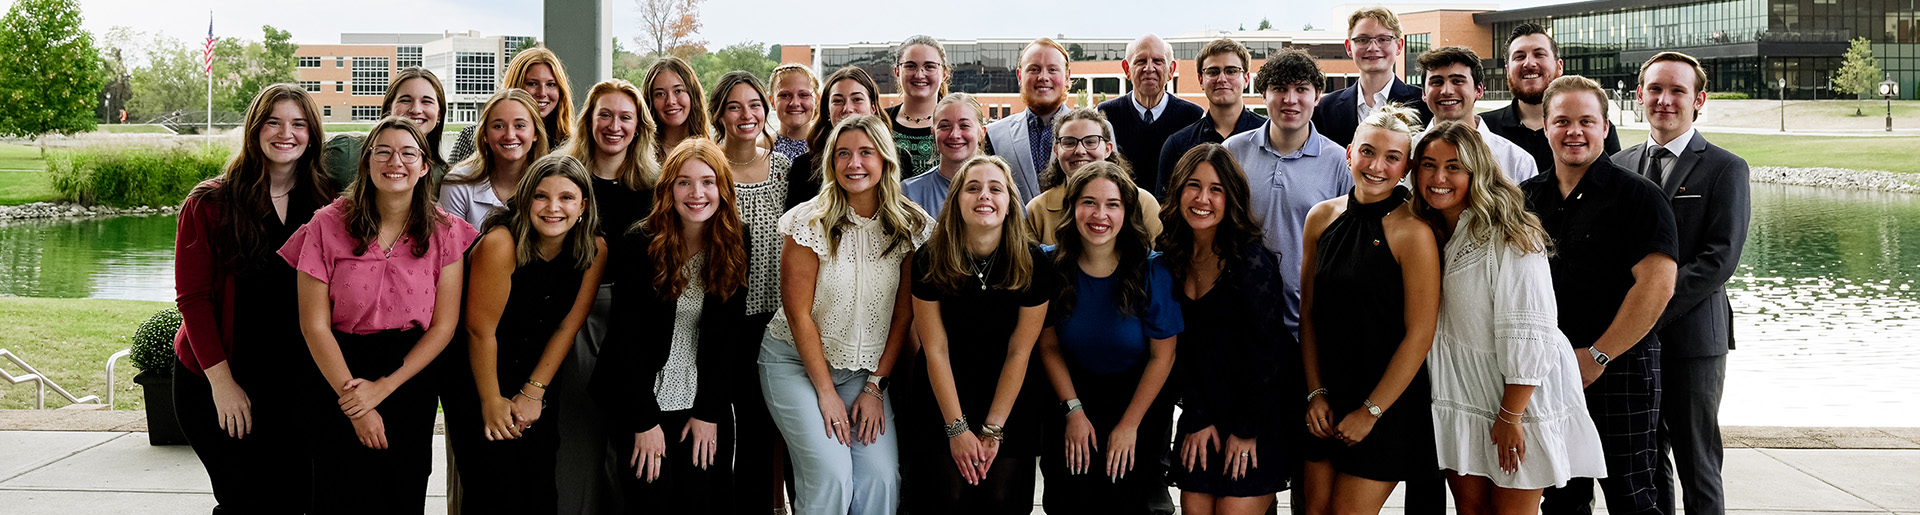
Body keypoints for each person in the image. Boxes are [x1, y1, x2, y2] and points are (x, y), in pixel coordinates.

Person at [280, 116, 479, 513]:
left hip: (410, 376)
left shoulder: (446, 232)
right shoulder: (325, 225)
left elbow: (444, 327)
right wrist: (356, 402)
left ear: (424, 166)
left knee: (403, 492)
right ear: (367, 162)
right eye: (383, 152)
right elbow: (313, 325)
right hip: (337, 371)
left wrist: (383, 389)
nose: (395, 162)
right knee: (339, 493)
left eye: (408, 153)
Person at [1411, 121, 1607, 514]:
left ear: (1477, 171)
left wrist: (1510, 415)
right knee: (1471, 510)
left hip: (1518, 397)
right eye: (1429, 165)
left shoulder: (1511, 233)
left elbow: (1530, 328)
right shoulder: (1423, 229)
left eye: (1454, 167)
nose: (1439, 178)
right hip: (1461, 394)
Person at [761, 114, 933, 515]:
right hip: (795, 365)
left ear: (885, 160)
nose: (854, 163)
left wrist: (875, 388)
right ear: (831, 162)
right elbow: (799, 315)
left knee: (881, 481)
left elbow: (902, 317)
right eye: (843, 154)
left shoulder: (911, 225)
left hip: (864, 373)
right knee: (831, 478)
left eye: (865, 153)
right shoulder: (809, 221)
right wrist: (826, 393)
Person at [1520, 76, 1677, 515]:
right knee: (1561, 497)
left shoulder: (1639, 197)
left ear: (1605, 127)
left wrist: (1597, 356)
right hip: (1548, 372)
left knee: (1631, 497)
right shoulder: (1524, 199)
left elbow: (1658, 286)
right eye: (1562, 121)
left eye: (1586, 121)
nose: (1574, 131)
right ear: (1546, 127)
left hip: (1619, 368)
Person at [174, 83, 333, 514]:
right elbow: (193, 301)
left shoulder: (328, 203)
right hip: (221, 377)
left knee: (299, 500)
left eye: (298, 124)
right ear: (254, 129)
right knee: (245, 502)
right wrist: (223, 386)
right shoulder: (209, 203)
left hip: (297, 383)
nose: (286, 134)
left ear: (312, 135)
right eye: (273, 122)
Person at [1609, 51, 1751, 515]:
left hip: (1692, 340)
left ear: (1699, 100)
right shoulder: (1619, 164)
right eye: (1655, 89)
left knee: (1698, 462)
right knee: (1646, 463)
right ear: (1639, 95)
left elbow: (1719, 259)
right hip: (1629, 343)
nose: (1664, 100)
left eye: (1677, 90)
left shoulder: (1725, 168)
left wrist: (1649, 307)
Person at [593, 139, 752, 513]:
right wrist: (643, 423)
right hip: (643, 400)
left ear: (723, 188)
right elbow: (626, 342)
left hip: (703, 399)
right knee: (651, 501)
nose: (697, 193)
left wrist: (709, 412)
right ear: (668, 189)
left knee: (705, 501)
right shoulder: (639, 244)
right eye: (684, 182)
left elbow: (730, 337)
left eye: (708, 182)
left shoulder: (735, 239)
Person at [1296, 104, 1440, 515]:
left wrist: (1371, 411)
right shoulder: (1321, 218)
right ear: (1349, 153)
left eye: (1392, 157)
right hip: (1326, 396)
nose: (1377, 166)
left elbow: (1420, 334)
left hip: (1387, 402)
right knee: (1315, 510)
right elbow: (1309, 314)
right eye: (1368, 152)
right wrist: (1315, 393)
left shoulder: (1414, 232)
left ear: (1406, 167)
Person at [453, 154, 606, 514]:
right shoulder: (501, 243)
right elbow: (480, 331)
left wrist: (533, 393)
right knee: (494, 492)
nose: (553, 208)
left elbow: (569, 325)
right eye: (541, 196)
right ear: (525, 200)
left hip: (537, 375)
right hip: (480, 374)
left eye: (566, 197)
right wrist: (491, 401)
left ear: (583, 205)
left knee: (539, 491)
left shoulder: (594, 248)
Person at [903, 155, 1056, 514]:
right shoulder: (929, 258)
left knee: (1003, 499)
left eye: (995, 189)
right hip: (944, 394)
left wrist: (993, 429)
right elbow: (935, 349)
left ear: (1009, 204)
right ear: (956, 201)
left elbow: (1020, 350)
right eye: (972, 188)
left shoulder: (1034, 263)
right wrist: (956, 429)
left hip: (1009, 395)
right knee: (949, 497)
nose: (984, 195)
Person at [1034, 161, 1182, 515]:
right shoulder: (1048, 265)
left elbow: (1163, 356)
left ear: (1126, 212)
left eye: (1112, 204)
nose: (1100, 214)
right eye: (1089, 202)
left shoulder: (1153, 269)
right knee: (1070, 498)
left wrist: (1129, 426)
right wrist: (1073, 411)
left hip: (1137, 400)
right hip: (1071, 395)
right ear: (1072, 207)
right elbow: (1048, 345)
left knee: (1131, 500)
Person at [1158, 144, 1293, 515]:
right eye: (1194, 185)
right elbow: (1172, 351)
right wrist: (1197, 416)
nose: (1203, 199)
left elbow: (1270, 358)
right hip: (1201, 412)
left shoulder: (1251, 262)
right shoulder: (1169, 258)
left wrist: (1246, 430)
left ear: (1231, 197)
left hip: (1256, 416)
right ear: (1177, 190)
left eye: (1216, 189)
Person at [550, 78, 661, 513]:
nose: (615, 126)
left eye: (625, 117)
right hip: (575, 316)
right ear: (588, 121)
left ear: (639, 126)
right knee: (579, 432)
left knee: (627, 440)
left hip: (635, 319)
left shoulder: (655, 186)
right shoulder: (563, 176)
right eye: (605, 115)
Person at [707, 70, 796, 514]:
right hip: (720, 315)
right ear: (719, 114)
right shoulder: (708, 170)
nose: (747, 115)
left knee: (762, 427)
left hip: (777, 318)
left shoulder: (784, 169)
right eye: (734, 106)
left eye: (755, 105)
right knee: (718, 423)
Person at [1221, 48, 1351, 340]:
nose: (1290, 99)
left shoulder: (1339, 162)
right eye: (1279, 88)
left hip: (1305, 324)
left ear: (1317, 96)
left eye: (1301, 89)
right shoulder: (1232, 151)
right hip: (1239, 319)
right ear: (1263, 95)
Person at [1483, 24, 1621, 173]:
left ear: (1559, 66)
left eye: (1539, 54)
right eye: (1519, 56)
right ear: (1508, 70)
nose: (1529, 63)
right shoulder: (1484, 129)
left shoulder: (1595, 130)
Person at [1025, 108, 1163, 246]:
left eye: (1090, 142)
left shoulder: (1143, 204)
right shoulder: (1036, 210)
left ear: (1108, 149)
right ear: (1056, 151)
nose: (1080, 151)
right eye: (1069, 143)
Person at [784, 67, 915, 211]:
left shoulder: (899, 159)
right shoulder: (803, 167)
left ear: (873, 107)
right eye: (838, 101)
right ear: (827, 110)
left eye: (857, 99)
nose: (847, 108)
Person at [1158, 38, 1266, 197]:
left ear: (1246, 79)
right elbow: (1166, 205)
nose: (1222, 79)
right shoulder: (1179, 144)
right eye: (1213, 72)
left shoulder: (1268, 135)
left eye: (1231, 71)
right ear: (1201, 80)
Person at [1312, 7, 1431, 149]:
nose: (1373, 48)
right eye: (1363, 40)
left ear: (1399, 46)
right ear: (1349, 48)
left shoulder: (1425, 105)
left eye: (1383, 39)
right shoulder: (1324, 109)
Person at [1098, 33, 1203, 193]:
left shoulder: (1193, 117)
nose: (1149, 68)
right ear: (1127, 69)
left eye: (1158, 61)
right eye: (1141, 61)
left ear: (1171, 70)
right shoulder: (1105, 116)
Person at [1416, 46, 1537, 184]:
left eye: (1457, 81)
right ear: (1424, 93)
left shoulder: (1517, 162)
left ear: (1479, 90)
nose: (1446, 91)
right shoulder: (1406, 155)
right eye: (1436, 82)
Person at [324, 68, 451, 189]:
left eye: (426, 101)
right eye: (405, 100)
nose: (416, 110)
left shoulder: (443, 176)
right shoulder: (346, 152)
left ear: (439, 113)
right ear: (389, 108)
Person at [442, 89, 550, 231]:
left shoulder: (553, 181)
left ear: (536, 133)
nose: (509, 135)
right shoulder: (458, 183)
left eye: (520, 126)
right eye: (498, 126)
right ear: (485, 134)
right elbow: (452, 244)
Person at [984, 37, 1073, 201]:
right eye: (1034, 69)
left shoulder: (1096, 131)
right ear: (1019, 76)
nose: (1043, 77)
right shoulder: (994, 136)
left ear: (1067, 77)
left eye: (1052, 69)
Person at [451, 48, 574, 163]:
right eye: (532, 83)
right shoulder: (470, 137)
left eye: (551, 84)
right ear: (514, 86)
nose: (542, 93)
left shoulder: (571, 144)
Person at [902, 93, 988, 216]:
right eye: (945, 126)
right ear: (933, 132)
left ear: (981, 133)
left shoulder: (1002, 189)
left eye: (964, 126)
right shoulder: (909, 193)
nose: (954, 135)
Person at [887, 35, 950, 177]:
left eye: (929, 67)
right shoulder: (880, 122)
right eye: (910, 66)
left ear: (944, 73)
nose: (919, 75)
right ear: (897, 71)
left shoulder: (961, 127)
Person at [645, 56, 711, 161]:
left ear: (693, 95)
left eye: (678, 91)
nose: (670, 101)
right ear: (650, 101)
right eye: (660, 94)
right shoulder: (640, 154)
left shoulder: (712, 150)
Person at [770, 63, 820, 160]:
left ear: (817, 100)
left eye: (804, 95)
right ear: (772, 102)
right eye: (784, 95)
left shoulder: (830, 147)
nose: (794, 103)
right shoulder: (760, 149)